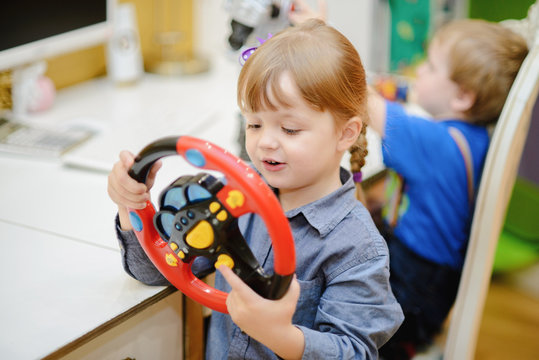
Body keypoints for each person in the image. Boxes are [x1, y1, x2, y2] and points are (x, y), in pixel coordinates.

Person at [107, 19, 404, 360]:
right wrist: (131, 207)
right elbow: (158, 272)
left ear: (346, 134)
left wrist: (279, 335)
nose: (264, 143)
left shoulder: (358, 248)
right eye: (254, 124)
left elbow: (354, 352)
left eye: (290, 129)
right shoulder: (230, 197)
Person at [290, 3, 529, 359]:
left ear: (463, 97)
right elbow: (398, 91)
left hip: (412, 286)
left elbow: (361, 98)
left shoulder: (434, 144)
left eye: (431, 67)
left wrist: (319, 33)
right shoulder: (469, 137)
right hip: (429, 280)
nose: (420, 71)